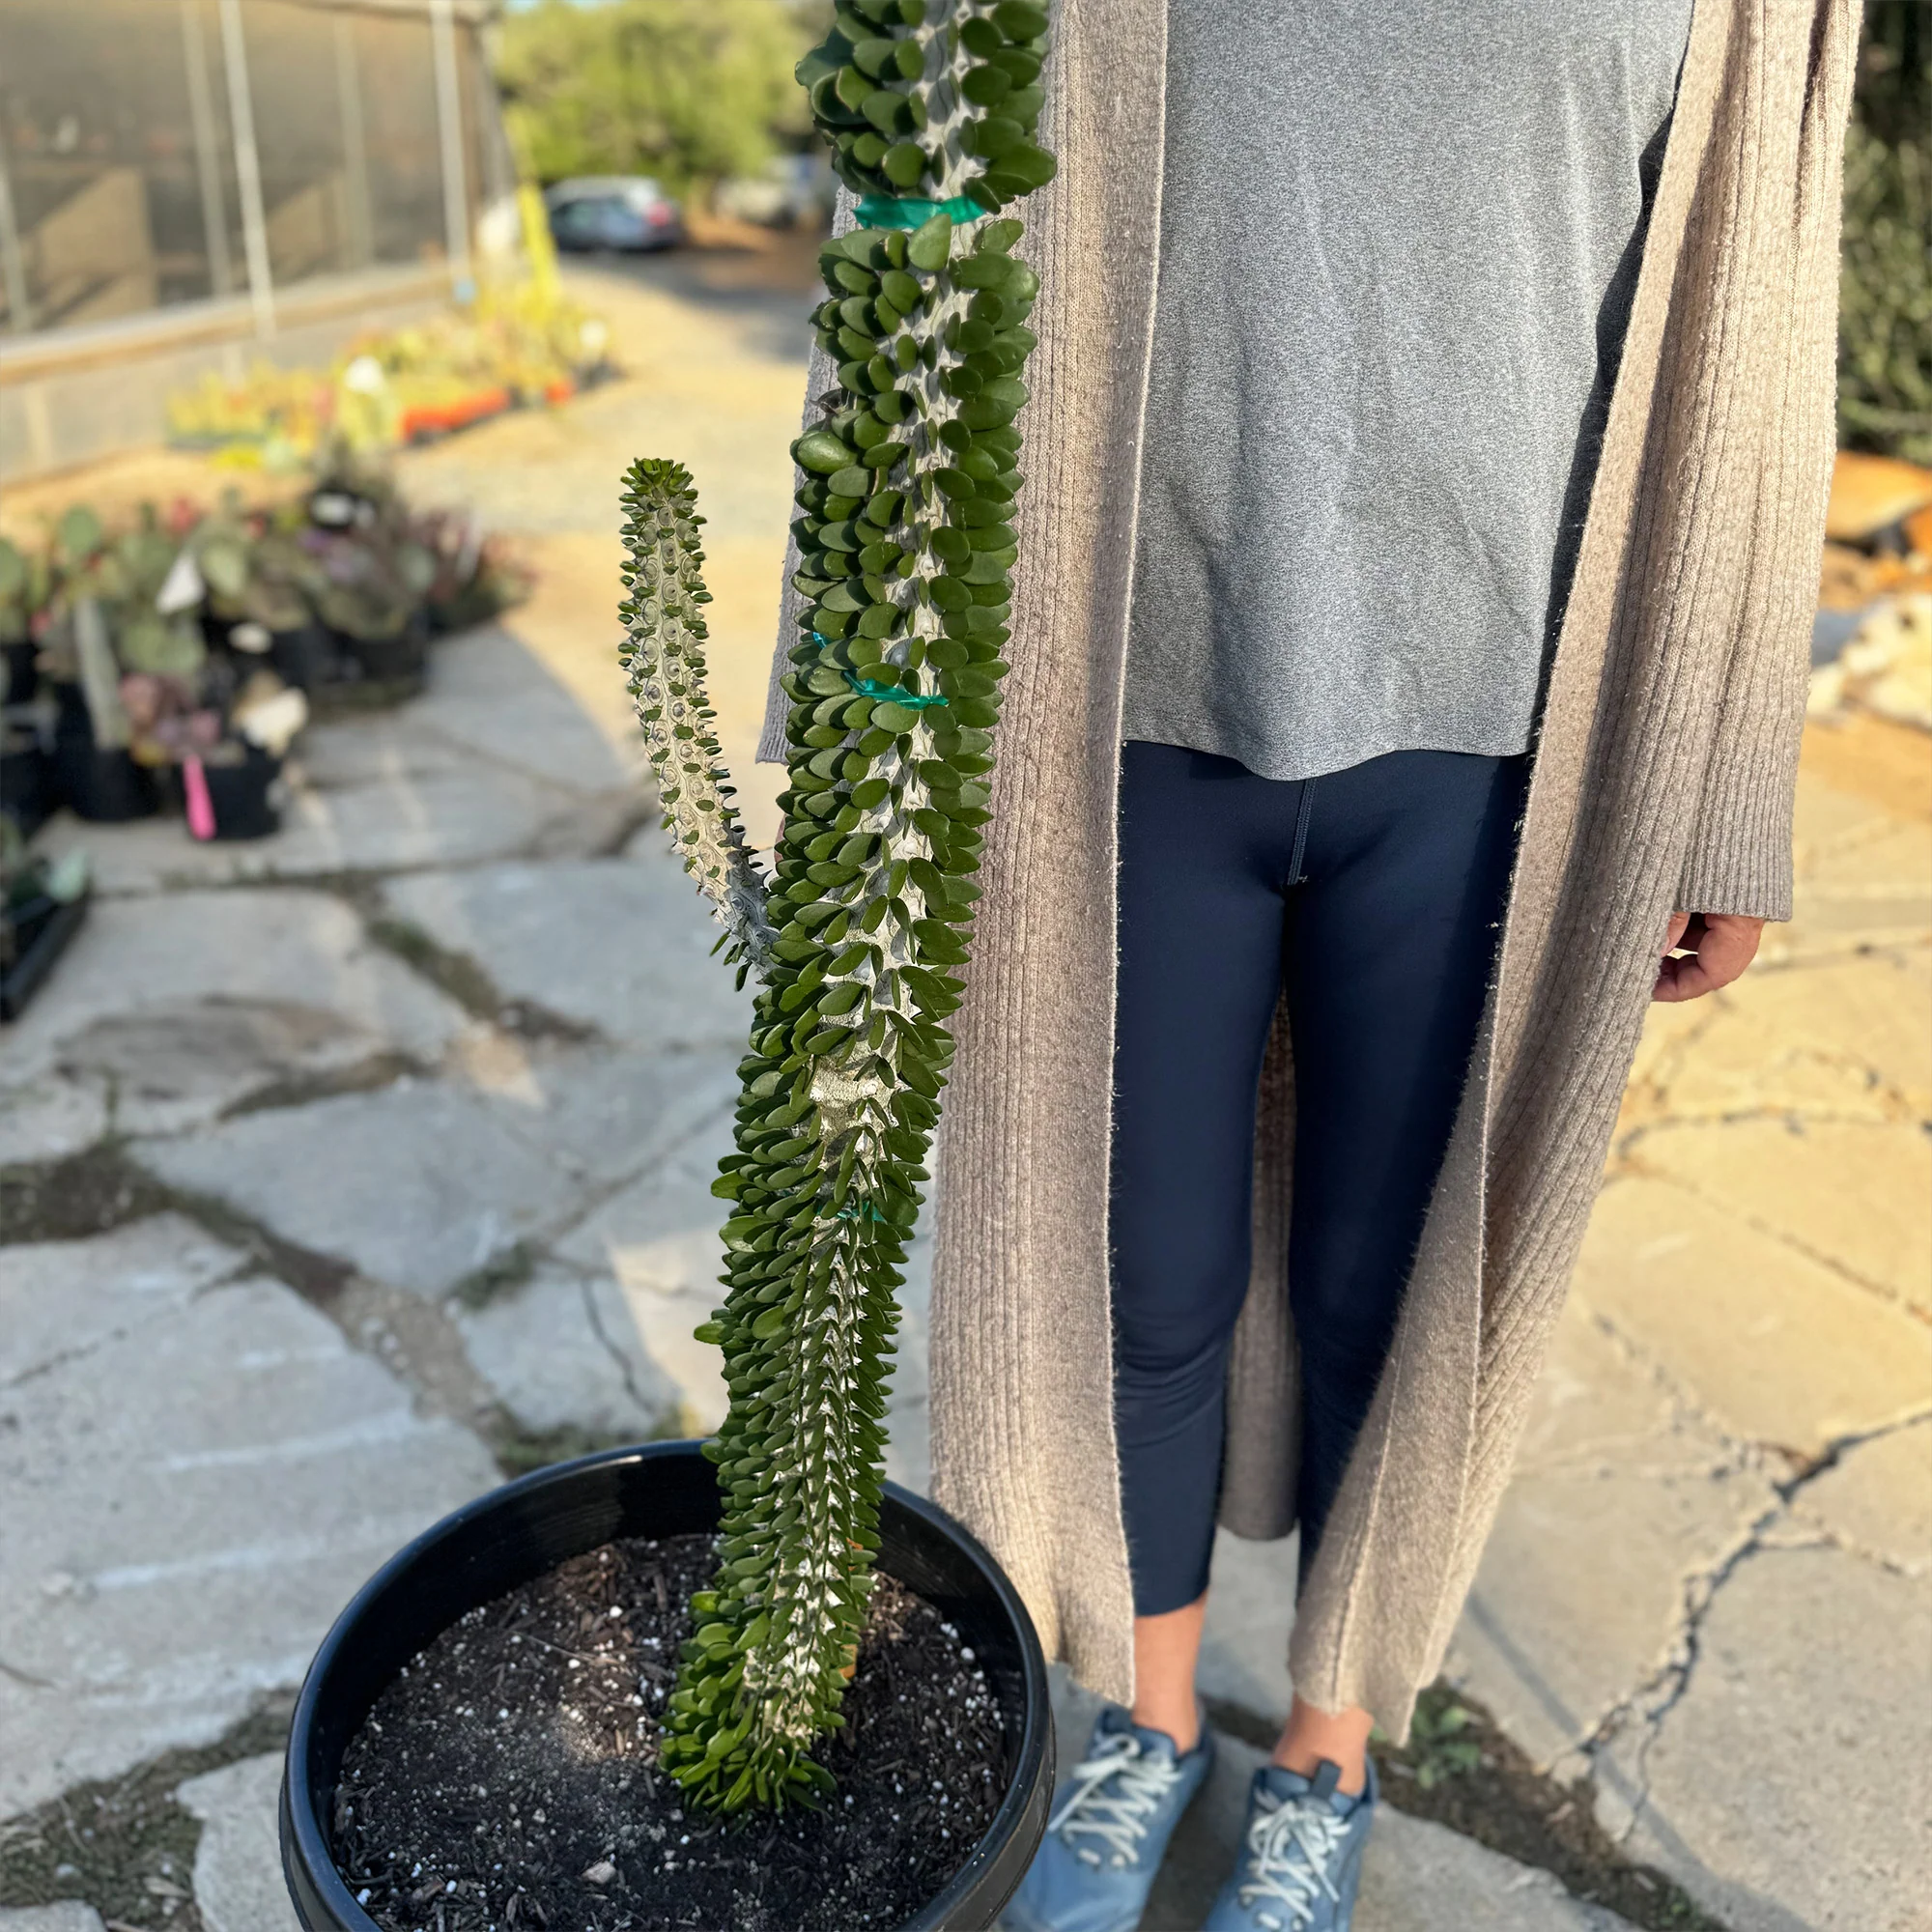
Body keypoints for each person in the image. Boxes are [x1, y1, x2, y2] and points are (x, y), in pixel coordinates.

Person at [760, 2, 1860, 1926]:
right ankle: (1153, 1717)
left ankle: (1327, 1746)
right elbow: (909, 195)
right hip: (1119, 707)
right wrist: (854, 696)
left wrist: (1725, 785)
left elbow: (1766, 300)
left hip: (1503, 738)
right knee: (1137, 1284)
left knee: (1391, 1295)